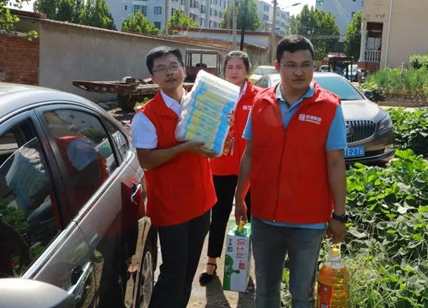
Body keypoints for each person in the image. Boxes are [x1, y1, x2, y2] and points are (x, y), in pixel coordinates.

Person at [234, 35, 348, 307]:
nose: (299, 71)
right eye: (291, 65)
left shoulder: (329, 107)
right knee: (265, 292)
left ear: (314, 67)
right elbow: (250, 153)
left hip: (307, 221)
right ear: (277, 66)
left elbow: (336, 164)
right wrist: (239, 198)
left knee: (301, 294)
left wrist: (339, 215)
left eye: (306, 64)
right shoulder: (261, 103)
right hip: (264, 218)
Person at [131, 46, 217, 308]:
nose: (169, 72)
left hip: (202, 204)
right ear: (153, 78)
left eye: (173, 66)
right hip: (172, 209)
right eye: (161, 69)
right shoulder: (146, 116)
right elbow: (146, 160)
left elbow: (210, 148)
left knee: (188, 273)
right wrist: (184, 147)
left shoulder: (199, 104)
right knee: (172, 274)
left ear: (183, 69)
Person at [199, 50, 260, 286]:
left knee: (247, 214)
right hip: (221, 166)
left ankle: (243, 259)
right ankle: (212, 262)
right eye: (230, 67)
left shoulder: (258, 97)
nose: (234, 72)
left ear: (247, 71)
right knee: (220, 215)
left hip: (248, 167)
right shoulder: (217, 95)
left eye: (239, 67)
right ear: (224, 71)